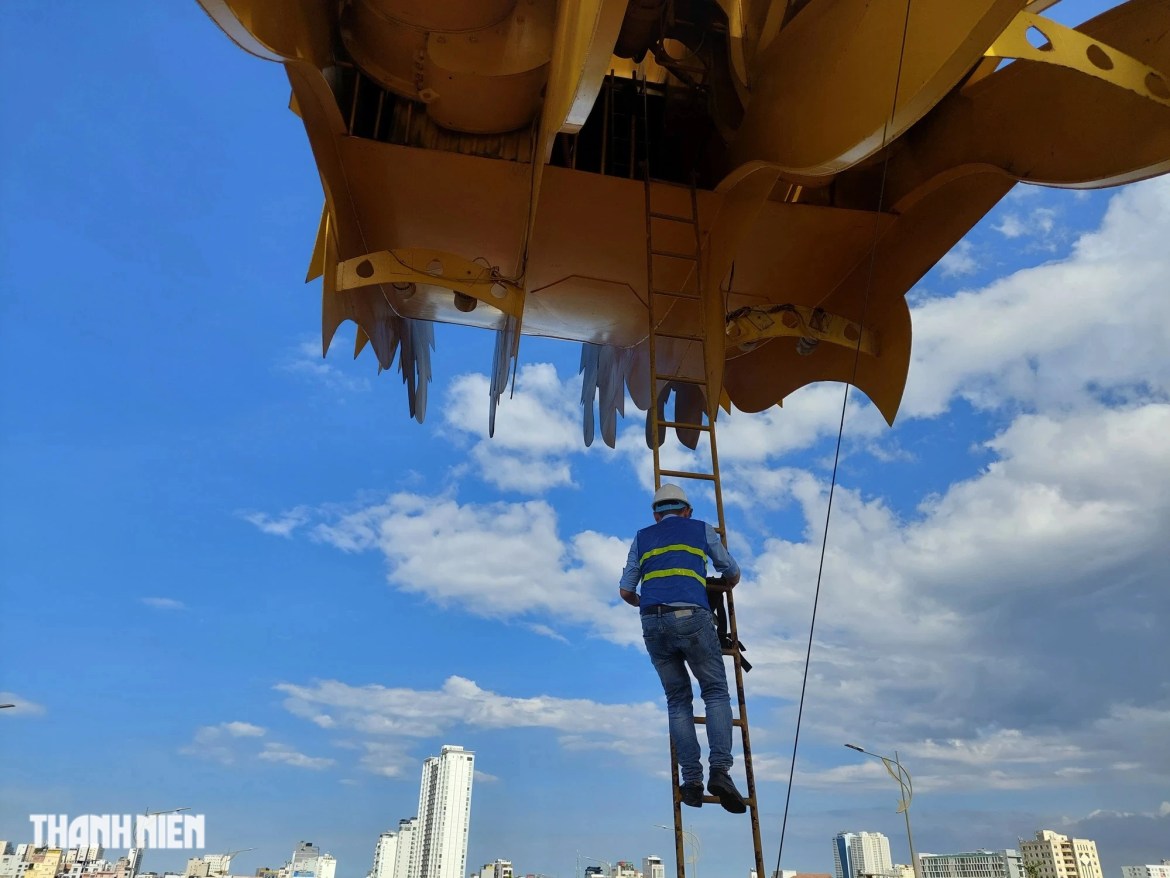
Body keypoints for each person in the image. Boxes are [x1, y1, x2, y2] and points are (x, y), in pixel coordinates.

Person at [619, 483, 747, 813]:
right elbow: (731, 572)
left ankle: (691, 782)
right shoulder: (701, 530)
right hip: (692, 617)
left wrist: (644, 602)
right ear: (687, 510)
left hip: (652, 621)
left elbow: (625, 590)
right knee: (716, 692)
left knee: (678, 702)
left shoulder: (641, 537)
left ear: (656, 515)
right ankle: (720, 771)